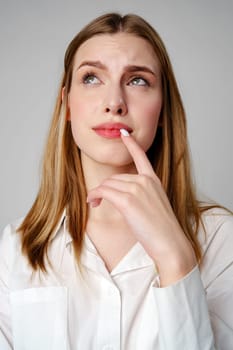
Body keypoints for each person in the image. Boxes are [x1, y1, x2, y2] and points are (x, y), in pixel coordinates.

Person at [0, 12, 232, 350]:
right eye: (92, 78)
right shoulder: (15, 249)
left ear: (163, 108)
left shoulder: (221, 239)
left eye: (137, 80)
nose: (114, 103)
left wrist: (175, 260)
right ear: (66, 104)